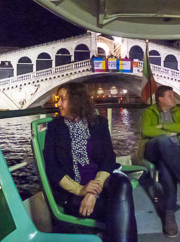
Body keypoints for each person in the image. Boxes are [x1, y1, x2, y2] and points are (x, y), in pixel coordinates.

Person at [44, 82, 137, 242]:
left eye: (63, 99)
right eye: (59, 99)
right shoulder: (54, 128)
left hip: (101, 182)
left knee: (123, 184)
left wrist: (93, 192)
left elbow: (108, 158)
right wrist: (81, 190)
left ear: (77, 101)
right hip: (74, 192)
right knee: (121, 206)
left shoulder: (99, 123)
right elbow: (52, 169)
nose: (58, 104)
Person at [136, 85, 180, 238]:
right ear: (160, 98)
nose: (174, 98)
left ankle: (169, 216)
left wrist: (162, 125)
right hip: (152, 150)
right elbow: (147, 131)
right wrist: (170, 132)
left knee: (166, 168)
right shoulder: (149, 111)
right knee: (161, 140)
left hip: (172, 154)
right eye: (170, 96)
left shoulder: (178, 111)